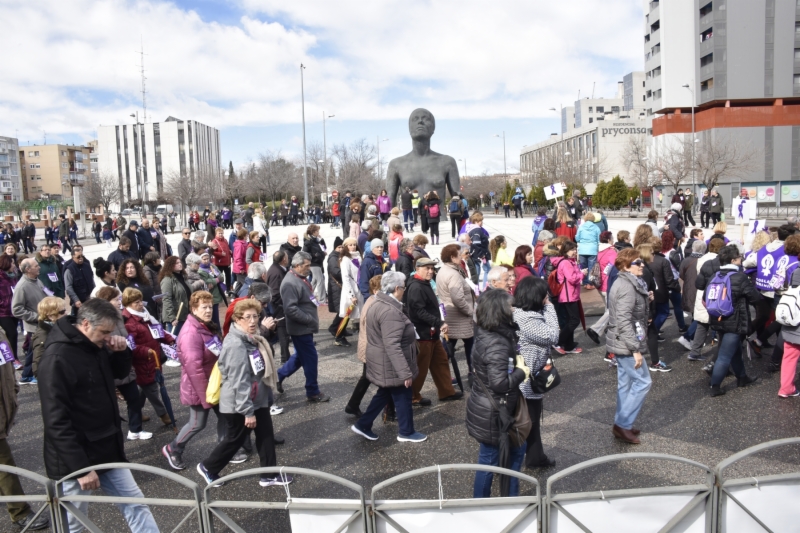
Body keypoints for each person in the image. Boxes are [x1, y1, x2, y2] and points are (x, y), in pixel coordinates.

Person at [38, 298, 159, 532]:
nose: (108, 337)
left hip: (106, 446)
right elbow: (55, 421)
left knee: (136, 504)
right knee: (73, 523)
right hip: (74, 458)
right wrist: (81, 468)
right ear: (85, 324)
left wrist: (121, 353)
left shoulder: (94, 345)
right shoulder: (57, 359)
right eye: (104, 332)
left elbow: (116, 374)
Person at [197, 299, 289, 488]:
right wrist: (247, 411)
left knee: (265, 435)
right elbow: (239, 381)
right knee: (235, 439)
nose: (253, 321)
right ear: (237, 319)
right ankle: (208, 467)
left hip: (257, 399)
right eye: (247, 317)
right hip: (240, 403)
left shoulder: (250, 337)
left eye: (256, 316)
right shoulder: (235, 344)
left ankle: (269, 476)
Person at [466, 288, 530, 497]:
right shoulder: (497, 343)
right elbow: (500, 384)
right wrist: (522, 372)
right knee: (492, 459)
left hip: (485, 406)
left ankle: (495, 502)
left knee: (495, 457)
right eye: (510, 307)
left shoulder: (485, 332)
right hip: (494, 411)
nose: (513, 310)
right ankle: (486, 504)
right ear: (499, 312)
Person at [351, 271, 427, 442]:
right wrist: (405, 373)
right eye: (404, 287)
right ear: (398, 288)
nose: (405, 290)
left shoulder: (376, 302)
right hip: (391, 362)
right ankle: (406, 432)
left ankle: (363, 424)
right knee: (402, 394)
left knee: (384, 392)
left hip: (383, 360)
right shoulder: (390, 311)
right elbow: (392, 345)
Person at [162, 291, 227, 470]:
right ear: (193, 309)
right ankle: (173, 448)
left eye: (209, 306)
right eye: (203, 307)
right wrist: (206, 396)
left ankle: (225, 448)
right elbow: (194, 368)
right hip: (200, 386)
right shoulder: (191, 333)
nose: (208, 310)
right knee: (198, 423)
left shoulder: (204, 326)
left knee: (226, 416)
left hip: (213, 382)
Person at [1, 318, 51, 530]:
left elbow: (7, 365)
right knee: (5, 465)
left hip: (4, 409)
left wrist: (13, 393)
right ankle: (19, 511)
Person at [606, 248, 652, 444]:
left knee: (625, 383)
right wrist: (635, 349)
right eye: (637, 263)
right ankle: (623, 424)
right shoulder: (626, 286)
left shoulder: (627, 282)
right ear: (625, 266)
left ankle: (622, 423)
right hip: (626, 343)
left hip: (622, 341)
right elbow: (623, 321)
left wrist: (645, 298)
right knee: (643, 382)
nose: (642, 265)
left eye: (641, 262)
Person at [513, 276, 559, 468]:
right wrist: (549, 306)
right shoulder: (527, 320)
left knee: (529, 421)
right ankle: (528, 459)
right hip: (525, 380)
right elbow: (553, 335)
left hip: (525, 376)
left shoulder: (520, 313)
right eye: (544, 294)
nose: (546, 296)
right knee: (527, 422)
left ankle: (535, 456)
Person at [404, 257, 461, 405]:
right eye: (427, 268)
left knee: (441, 362)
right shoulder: (416, 287)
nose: (430, 271)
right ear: (417, 269)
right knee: (421, 368)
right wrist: (438, 322)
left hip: (432, 333)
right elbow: (418, 312)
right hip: (423, 334)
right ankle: (413, 397)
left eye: (432, 268)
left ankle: (446, 391)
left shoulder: (424, 283)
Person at [706, 245, 760, 396]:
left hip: (718, 318)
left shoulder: (715, 275)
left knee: (735, 350)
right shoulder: (740, 277)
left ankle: (742, 378)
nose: (741, 260)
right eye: (739, 258)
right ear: (733, 260)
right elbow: (755, 297)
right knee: (724, 356)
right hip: (735, 321)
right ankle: (714, 386)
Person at [121, 288, 177, 433]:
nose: (140, 304)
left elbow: (157, 330)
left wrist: (169, 339)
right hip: (143, 361)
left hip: (153, 358)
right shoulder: (129, 323)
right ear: (128, 304)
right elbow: (131, 346)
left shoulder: (145, 316)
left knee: (144, 388)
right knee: (151, 388)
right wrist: (146, 351)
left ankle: (135, 412)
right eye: (136, 302)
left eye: (140, 301)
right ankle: (163, 414)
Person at [276, 251, 329, 402]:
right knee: (310, 359)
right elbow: (290, 309)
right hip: (301, 328)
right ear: (297, 266)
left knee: (301, 356)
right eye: (306, 266)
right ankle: (312, 391)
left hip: (305, 327)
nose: (309, 268)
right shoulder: (290, 283)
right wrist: (308, 319)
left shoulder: (299, 277)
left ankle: (278, 377)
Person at [438, 244, 477, 377]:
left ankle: (443, 377)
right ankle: (474, 374)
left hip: (450, 315)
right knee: (470, 345)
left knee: (448, 347)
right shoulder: (453, 274)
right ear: (452, 257)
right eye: (459, 255)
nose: (461, 257)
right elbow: (458, 298)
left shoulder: (444, 270)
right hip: (459, 315)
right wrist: (469, 311)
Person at [13, 258, 48, 384]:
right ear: (28, 269)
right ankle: (29, 375)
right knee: (35, 350)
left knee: (34, 350)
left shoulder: (36, 280)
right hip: (34, 325)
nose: (39, 267)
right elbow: (16, 310)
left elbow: (46, 293)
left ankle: (27, 375)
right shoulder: (21, 287)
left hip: (44, 322)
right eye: (36, 266)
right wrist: (36, 316)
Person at [552, 241, 585, 355]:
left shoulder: (570, 261)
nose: (574, 251)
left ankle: (568, 345)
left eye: (575, 249)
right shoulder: (566, 262)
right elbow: (572, 278)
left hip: (571, 294)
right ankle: (558, 341)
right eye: (572, 249)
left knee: (570, 320)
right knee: (574, 320)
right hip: (568, 295)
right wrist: (582, 274)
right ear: (566, 251)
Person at [586, 231, 618, 348]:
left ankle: (607, 328)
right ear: (609, 240)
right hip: (608, 284)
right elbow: (615, 267)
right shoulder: (611, 252)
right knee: (612, 310)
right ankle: (595, 329)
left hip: (600, 283)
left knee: (608, 309)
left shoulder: (600, 251)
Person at [676, 240, 708, 352]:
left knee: (696, 315)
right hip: (700, 290)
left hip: (688, 290)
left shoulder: (686, 260)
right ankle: (688, 337)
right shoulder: (705, 261)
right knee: (700, 316)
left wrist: (682, 290)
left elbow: (681, 277)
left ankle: (693, 337)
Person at [266, 250, 291, 364]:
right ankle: (285, 358)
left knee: (284, 333)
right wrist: (282, 303)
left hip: (280, 305)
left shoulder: (278, 269)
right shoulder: (276, 272)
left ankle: (286, 356)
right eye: (287, 257)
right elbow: (275, 293)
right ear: (283, 259)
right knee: (282, 333)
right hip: (279, 307)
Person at [160, 256, 193, 336]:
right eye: (176, 263)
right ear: (170, 265)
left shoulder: (183, 277)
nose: (180, 264)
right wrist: (172, 318)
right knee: (175, 339)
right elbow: (166, 299)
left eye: (180, 262)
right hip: (176, 317)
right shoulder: (167, 280)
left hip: (185, 314)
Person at [197, 251, 225, 326]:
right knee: (212, 319)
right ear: (200, 260)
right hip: (211, 296)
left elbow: (222, 276)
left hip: (217, 294)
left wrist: (216, 280)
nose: (206, 261)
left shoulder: (212, 266)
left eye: (207, 258)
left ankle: (218, 334)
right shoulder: (200, 271)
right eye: (204, 259)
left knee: (216, 318)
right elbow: (207, 282)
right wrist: (217, 280)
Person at [303, 224, 328, 305]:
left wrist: (321, 239)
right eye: (317, 231)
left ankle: (307, 296)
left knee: (314, 281)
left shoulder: (315, 240)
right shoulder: (308, 241)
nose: (318, 232)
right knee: (320, 280)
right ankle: (322, 300)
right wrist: (316, 255)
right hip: (314, 263)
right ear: (313, 232)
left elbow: (324, 247)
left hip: (318, 262)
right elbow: (305, 253)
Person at [65, 247, 95, 312]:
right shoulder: (69, 270)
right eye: (78, 257)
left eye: (82, 256)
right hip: (80, 301)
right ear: (73, 257)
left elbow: (92, 280)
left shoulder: (87, 266)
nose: (81, 258)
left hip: (91, 298)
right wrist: (76, 300)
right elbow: (68, 287)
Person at [0, 256, 18, 367]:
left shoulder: (13, 277)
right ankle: (13, 359)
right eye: (12, 263)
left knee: (12, 334)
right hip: (2, 312)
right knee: (13, 333)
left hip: (14, 310)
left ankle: (12, 357)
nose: (14, 265)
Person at [575, 212, 601, 288]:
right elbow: (599, 239)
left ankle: (584, 282)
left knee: (583, 267)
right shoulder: (596, 228)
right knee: (591, 267)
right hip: (593, 249)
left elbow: (577, 238)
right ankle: (590, 283)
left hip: (582, 249)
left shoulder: (581, 227)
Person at [468, 212, 491, 288]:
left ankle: (477, 288)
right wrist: (482, 255)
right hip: (479, 254)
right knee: (486, 270)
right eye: (481, 221)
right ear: (476, 221)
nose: (482, 223)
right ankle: (482, 288)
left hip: (476, 254)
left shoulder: (472, 229)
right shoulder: (477, 230)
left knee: (477, 271)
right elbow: (476, 243)